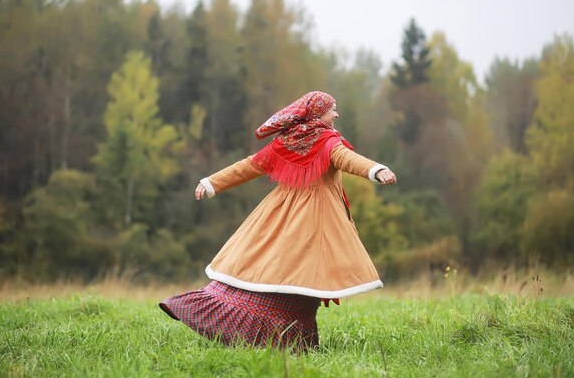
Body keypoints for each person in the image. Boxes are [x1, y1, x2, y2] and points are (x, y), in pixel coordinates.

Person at [159, 91, 397, 351]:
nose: (336, 114)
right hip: (314, 222)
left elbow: (251, 165)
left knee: (276, 271)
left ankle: (284, 340)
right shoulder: (325, 141)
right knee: (301, 278)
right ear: (316, 114)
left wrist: (211, 183)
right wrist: (376, 169)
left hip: (280, 215)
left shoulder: (288, 141)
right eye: (332, 109)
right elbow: (254, 165)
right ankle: (285, 341)